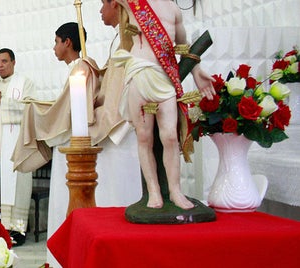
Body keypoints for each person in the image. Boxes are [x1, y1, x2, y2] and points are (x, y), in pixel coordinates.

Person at [114, 0, 215, 210]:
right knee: (144, 137)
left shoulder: (174, 9)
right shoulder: (134, 2)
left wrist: (197, 72)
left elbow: (183, 45)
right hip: (140, 74)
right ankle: (153, 191)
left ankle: (175, 191)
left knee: (170, 136)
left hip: (165, 80)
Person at [11, 22, 100, 248]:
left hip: (73, 145)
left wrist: (36, 112)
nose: (53, 48)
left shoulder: (81, 69)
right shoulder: (77, 68)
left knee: (67, 199)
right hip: (70, 143)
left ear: (67, 42)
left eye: (56, 42)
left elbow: (65, 112)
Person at [84, 0, 142, 207]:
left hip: (121, 123)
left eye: (103, 4)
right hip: (121, 119)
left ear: (115, 5)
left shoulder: (129, 36)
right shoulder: (120, 36)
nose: (101, 10)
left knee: (121, 192)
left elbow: (118, 83)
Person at [0, 48, 36, 240]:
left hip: (15, 145)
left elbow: (31, 109)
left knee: (16, 186)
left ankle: (16, 231)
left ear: (13, 62)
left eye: (4, 61)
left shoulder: (25, 83)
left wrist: (3, 101)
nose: (0, 65)